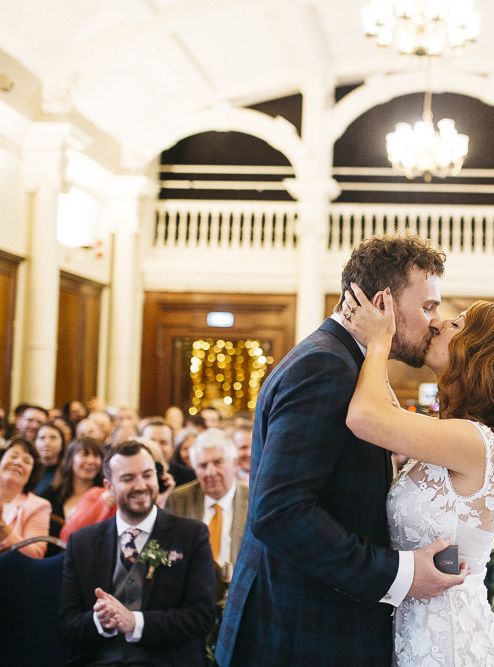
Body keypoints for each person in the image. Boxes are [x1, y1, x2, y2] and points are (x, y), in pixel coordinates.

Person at [216, 235, 463, 667]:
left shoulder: (346, 361)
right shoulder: (326, 366)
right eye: (427, 307)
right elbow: (280, 511)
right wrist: (397, 575)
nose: (435, 321)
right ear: (383, 302)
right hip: (300, 631)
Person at [342, 287, 494, 665]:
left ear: (478, 354)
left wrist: (379, 341)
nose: (437, 323)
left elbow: (364, 417)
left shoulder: (473, 440)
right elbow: (383, 410)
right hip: (414, 629)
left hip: (448, 643)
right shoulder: (453, 433)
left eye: (455, 324)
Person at [58, 440, 216, 666]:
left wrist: (135, 622)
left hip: (166, 660)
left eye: (147, 475)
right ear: (109, 487)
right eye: (128, 478)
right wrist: (100, 621)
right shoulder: (83, 542)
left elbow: (201, 617)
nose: (141, 485)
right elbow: (67, 624)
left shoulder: (191, 535)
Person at [166, 429, 248, 581]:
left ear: (234, 463)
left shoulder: (253, 500)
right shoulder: (178, 500)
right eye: (202, 465)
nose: (210, 472)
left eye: (218, 462)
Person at [39, 437, 104, 537]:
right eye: (84, 454)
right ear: (70, 459)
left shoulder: (105, 497)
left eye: (96, 456)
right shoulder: (51, 495)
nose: (91, 461)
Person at [0, 437, 52, 558]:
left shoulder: (39, 506)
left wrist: (3, 528)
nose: (18, 462)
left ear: (32, 474)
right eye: (13, 456)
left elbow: (36, 554)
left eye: (26, 461)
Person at [33, 421, 67, 496]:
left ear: (62, 444)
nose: (46, 443)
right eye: (42, 438)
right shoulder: (29, 469)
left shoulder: (67, 472)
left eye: (53, 438)